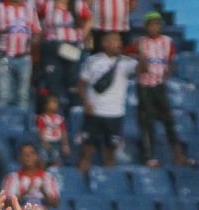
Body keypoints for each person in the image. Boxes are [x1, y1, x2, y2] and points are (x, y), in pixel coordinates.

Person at [135, 12, 191, 168]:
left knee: (169, 121)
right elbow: (133, 61)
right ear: (146, 27)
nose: (155, 27)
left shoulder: (167, 42)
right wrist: (140, 62)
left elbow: (172, 61)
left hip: (160, 85)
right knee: (147, 122)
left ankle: (178, 155)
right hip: (144, 86)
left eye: (158, 24)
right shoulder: (140, 42)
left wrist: (169, 72)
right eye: (152, 24)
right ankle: (150, 157)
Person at [78, 31, 137, 174]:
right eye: (114, 40)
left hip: (115, 112)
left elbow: (142, 69)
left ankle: (109, 173)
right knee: (88, 144)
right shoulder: (92, 60)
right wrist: (86, 103)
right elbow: (81, 84)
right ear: (105, 43)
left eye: (119, 41)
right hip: (95, 110)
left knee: (111, 146)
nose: (118, 43)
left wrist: (141, 54)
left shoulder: (126, 62)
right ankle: (83, 171)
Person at [0, 0, 41, 112]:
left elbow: (37, 31)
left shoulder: (30, 9)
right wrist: (2, 30)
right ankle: (2, 123)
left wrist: (35, 40)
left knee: (23, 95)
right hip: (4, 56)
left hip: (24, 57)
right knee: (3, 94)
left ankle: (22, 126)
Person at [37, 0, 91, 110]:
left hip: (71, 46)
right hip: (51, 47)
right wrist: (42, 34)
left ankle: (74, 111)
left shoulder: (78, 4)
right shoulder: (47, 4)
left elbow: (89, 20)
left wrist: (81, 37)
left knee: (73, 79)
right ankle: (56, 114)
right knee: (53, 81)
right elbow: (37, 18)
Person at [2, 142, 61, 210]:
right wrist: (25, 193)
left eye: (32, 153)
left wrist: (44, 192)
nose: (28, 156)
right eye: (24, 154)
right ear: (20, 157)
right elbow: (6, 204)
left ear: (37, 156)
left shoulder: (48, 178)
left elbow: (55, 204)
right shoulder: (12, 178)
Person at [36, 93, 69, 167]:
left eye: (56, 102)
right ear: (45, 105)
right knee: (43, 159)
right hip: (45, 142)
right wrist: (44, 142)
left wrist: (65, 145)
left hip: (57, 143)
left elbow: (63, 131)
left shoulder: (59, 118)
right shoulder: (42, 118)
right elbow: (40, 131)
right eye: (53, 102)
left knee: (57, 159)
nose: (56, 104)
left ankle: (56, 173)